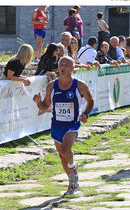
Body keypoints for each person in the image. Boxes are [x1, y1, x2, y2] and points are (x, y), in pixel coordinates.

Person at [33, 56, 94, 196]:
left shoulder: (80, 85)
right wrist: (38, 102)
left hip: (72, 125)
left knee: (66, 150)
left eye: (67, 65)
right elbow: (45, 106)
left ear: (73, 68)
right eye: (61, 64)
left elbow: (90, 101)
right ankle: (73, 183)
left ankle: (73, 176)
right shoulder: (52, 86)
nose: (63, 67)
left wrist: (85, 114)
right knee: (62, 156)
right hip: (56, 125)